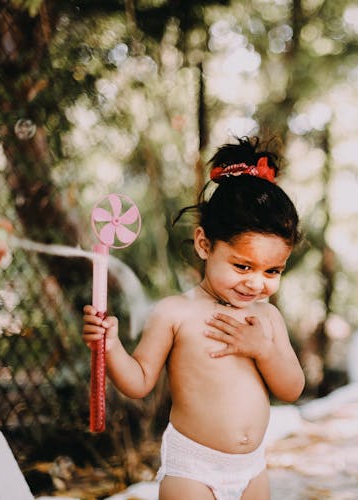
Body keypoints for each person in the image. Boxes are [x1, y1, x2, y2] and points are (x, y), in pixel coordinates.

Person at [82, 137, 305, 500]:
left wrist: (263, 350)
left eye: (272, 270)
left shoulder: (267, 318)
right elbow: (139, 382)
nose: (256, 282)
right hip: (194, 470)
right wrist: (110, 346)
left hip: (251, 468)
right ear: (204, 245)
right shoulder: (175, 313)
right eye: (242, 265)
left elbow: (292, 388)